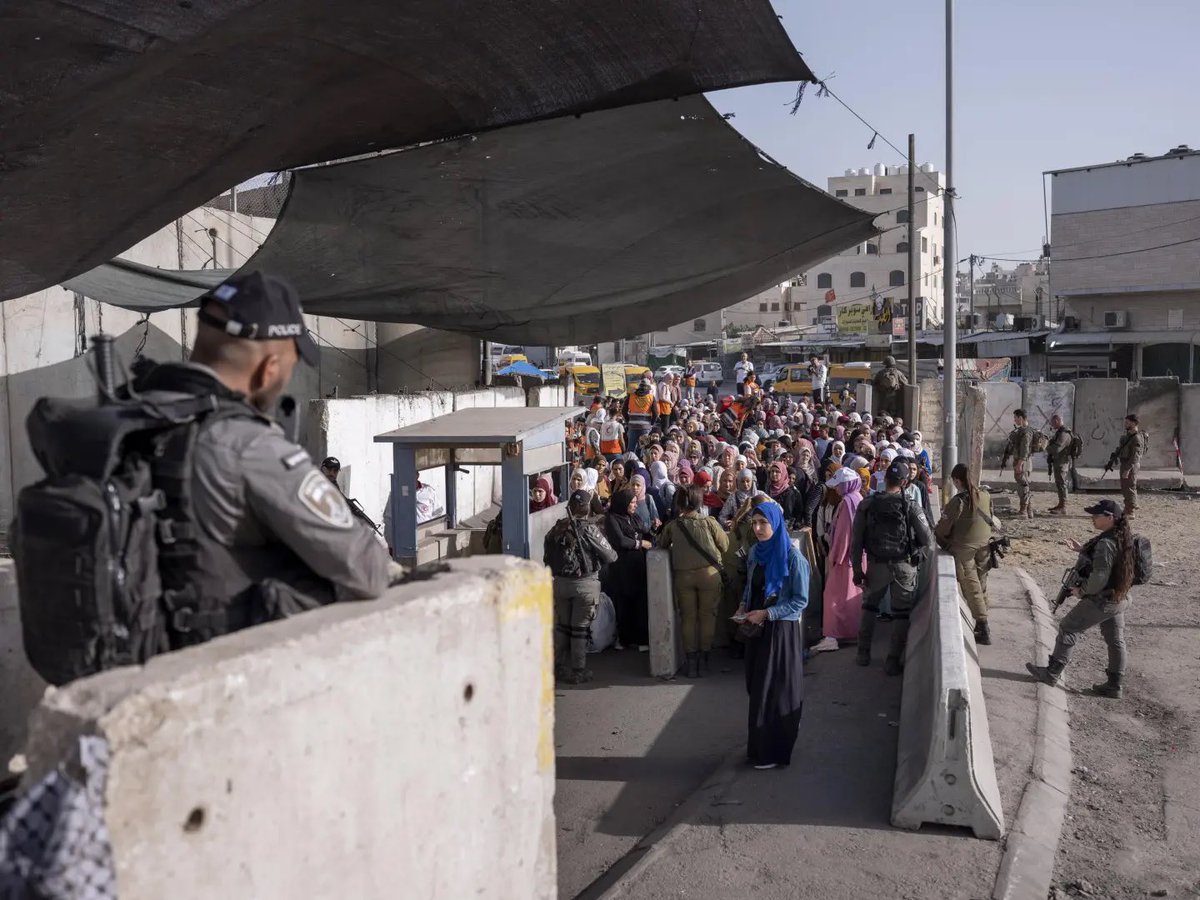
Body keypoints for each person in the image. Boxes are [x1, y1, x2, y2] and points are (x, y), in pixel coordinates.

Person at [116, 270, 390, 644]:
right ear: (269, 369)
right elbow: (369, 568)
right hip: (219, 671)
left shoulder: (124, 416)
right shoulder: (249, 446)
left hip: (128, 650)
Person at [1026, 499, 1135, 699]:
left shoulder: (1106, 543)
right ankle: (1114, 685)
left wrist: (1082, 591)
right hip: (1120, 597)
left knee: (1068, 627)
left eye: (1096, 515)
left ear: (1109, 518)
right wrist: (1081, 550)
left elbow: (1099, 577)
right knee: (1115, 639)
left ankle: (1051, 674)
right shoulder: (1122, 537)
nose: (1092, 518)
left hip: (1103, 599)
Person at [736, 501, 809, 769]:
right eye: (754, 523)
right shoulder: (756, 552)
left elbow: (800, 601)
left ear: (775, 524)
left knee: (775, 692)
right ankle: (758, 749)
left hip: (780, 632)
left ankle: (774, 752)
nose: (757, 528)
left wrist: (767, 614)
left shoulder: (793, 558)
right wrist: (744, 605)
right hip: (757, 629)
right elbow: (750, 585)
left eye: (763, 523)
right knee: (756, 688)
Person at [851, 458, 934, 674]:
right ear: (905, 482)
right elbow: (927, 539)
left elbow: (856, 541)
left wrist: (858, 570)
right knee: (901, 614)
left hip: (877, 565)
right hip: (904, 566)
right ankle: (892, 660)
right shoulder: (911, 506)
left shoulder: (867, 504)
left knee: (869, 608)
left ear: (885, 478)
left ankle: (862, 653)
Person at [544, 489, 618, 684]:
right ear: (586, 509)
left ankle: (557, 667)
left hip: (560, 584)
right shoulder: (588, 529)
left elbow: (547, 555)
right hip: (585, 585)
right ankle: (578, 670)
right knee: (579, 630)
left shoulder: (557, 528)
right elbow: (611, 555)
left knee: (561, 627)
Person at [658, 485, 730, 677]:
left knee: (688, 618)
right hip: (709, 575)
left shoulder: (673, 526)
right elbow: (724, 545)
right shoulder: (709, 522)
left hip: (683, 576)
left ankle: (691, 663)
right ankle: (704, 661)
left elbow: (662, 543)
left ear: (680, 503)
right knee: (707, 616)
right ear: (700, 502)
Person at [935, 463, 996, 645]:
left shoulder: (958, 502)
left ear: (957, 480)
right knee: (981, 583)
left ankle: (983, 625)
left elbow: (943, 529)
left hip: (964, 549)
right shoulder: (985, 495)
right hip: (984, 546)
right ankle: (983, 617)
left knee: (971, 585)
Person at [813, 467, 865, 653]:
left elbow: (843, 535)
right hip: (858, 558)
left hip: (845, 560)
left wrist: (835, 556)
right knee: (851, 598)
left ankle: (832, 635)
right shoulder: (858, 499)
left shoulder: (846, 503)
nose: (835, 489)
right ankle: (852, 632)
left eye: (838, 485)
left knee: (833, 597)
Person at [604, 489, 654, 650]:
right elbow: (620, 541)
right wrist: (640, 544)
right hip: (622, 567)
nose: (634, 505)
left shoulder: (632, 517)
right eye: (631, 503)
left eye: (634, 502)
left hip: (637, 566)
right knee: (624, 602)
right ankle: (625, 638)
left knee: (640, 602)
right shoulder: (612, 519)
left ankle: (641, 639)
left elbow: (643, 531)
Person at [1108, 414, 1149, 518]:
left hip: (1131, 465)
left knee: (1130, 487)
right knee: (1125, 487)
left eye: (1127, 422)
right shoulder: (1128, 436)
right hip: (1125, 463)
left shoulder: (1136, 438)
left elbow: (1136, 456)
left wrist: (1127, 469)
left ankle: (1130, 511)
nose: (1125, 424)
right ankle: (1127, 508)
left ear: (1134, 423)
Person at [1002, 408, 1036, 520]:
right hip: (1022, 461)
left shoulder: (1026, 432)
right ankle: (1029, 511)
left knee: (1023, 486)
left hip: (1023, 462)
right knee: (1024, 485)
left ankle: (1023, 511)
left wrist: (1020, 464)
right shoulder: (1022, 430)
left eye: (1015, 418)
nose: (1014, 420)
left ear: (1020, 418)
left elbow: (1025, 449)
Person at [1045, 413, 1074, 515]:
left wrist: (1046, 447)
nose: (1052, 425)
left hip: (1062, 463)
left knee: (1062, 484)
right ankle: (1060, 504)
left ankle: (1063, 507)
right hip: (1059, 462)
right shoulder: (1059, 432)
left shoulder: (1064, 434)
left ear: (1057, 421)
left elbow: (1057, 449)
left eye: (1052, 422)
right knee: (1059, 483)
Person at [623, 379, 655, 450]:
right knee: (644, 449)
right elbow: (656, 413)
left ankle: (630, 460)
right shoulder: (651, 397)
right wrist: (651, 424)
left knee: (631, 448)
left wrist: (628, 420)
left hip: (632, 426)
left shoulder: (631, 396)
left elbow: (624, 411)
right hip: (645, 427)